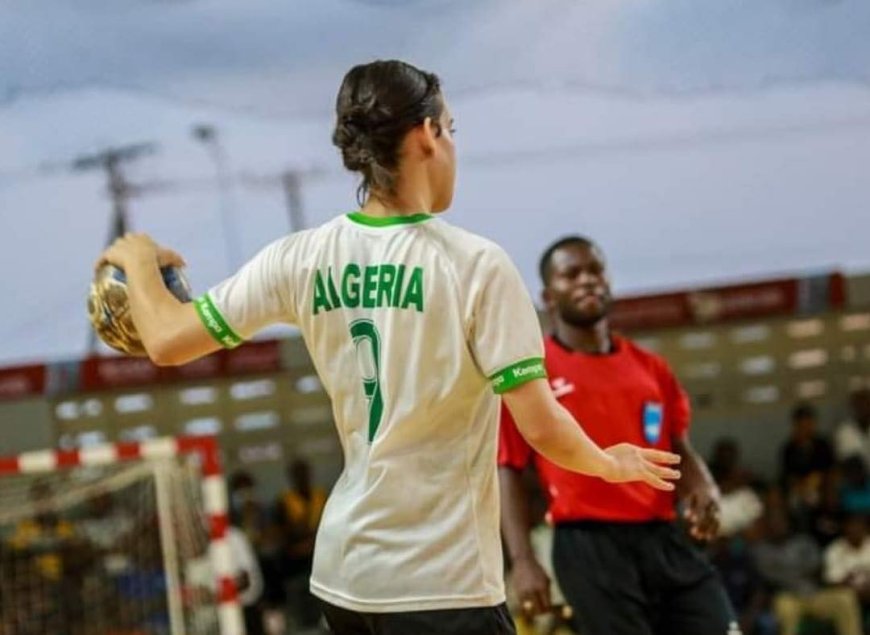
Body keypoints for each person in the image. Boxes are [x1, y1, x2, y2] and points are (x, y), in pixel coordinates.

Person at [97, 60, 680, 635]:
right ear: (428, 135)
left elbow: (167, 339)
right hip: (440, 581)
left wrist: (137, 260)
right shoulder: (475, 265)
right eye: (451, 129)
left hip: (346, 579)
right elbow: (543, 428)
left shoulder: (300, 257)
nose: (452, 145)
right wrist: (608, 461)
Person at [498, 235, 736, 635]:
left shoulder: (650, 367)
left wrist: (704, 486)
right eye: (571, 274)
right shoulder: (531, 373)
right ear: (548, 296)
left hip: (663, 534)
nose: (587, 280)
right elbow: (508, 469)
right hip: (588, 545)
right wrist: (522, 560)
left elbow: (677, 445)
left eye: (595, 270)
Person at [753, 509, 861, 635]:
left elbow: (817, 568)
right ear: (768, 526)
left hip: (815, 593)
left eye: (781, 522)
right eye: (774, 523)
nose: (778, 526)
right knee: (783, 608)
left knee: (845, 598)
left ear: (788, 523)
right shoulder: (761, 550)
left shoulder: (804, 542)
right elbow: (771, 577)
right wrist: (799, 572)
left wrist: (787, 571)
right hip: (788, 596)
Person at [835, 389, 870, 467]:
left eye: (867, 404)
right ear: (854, 407)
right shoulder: (844, 431)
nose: (864, 409)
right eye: (860, 405)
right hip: (855, 476)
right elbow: (847, 461)